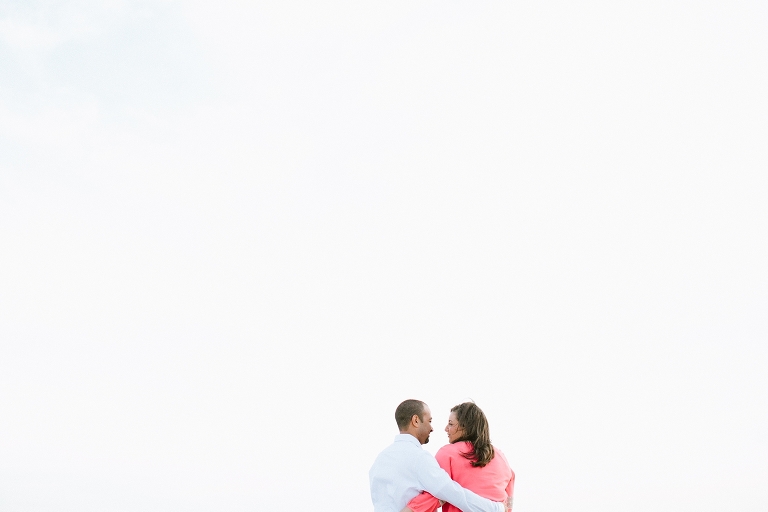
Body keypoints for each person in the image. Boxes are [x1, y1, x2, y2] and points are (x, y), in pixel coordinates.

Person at [369, 399, 506, 512]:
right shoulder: (419, 458)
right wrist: (497, 508)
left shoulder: (380, 460)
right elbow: (451, 493)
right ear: (416, 420)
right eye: (429, 421)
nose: (433, 428)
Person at [403, 402, 515, 512]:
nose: (446, 428)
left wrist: (410, 509)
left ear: (465, 427)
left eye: (451, 424)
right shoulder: (501, 457)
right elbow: (508, 502)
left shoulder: (447, 453)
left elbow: (435, 494)